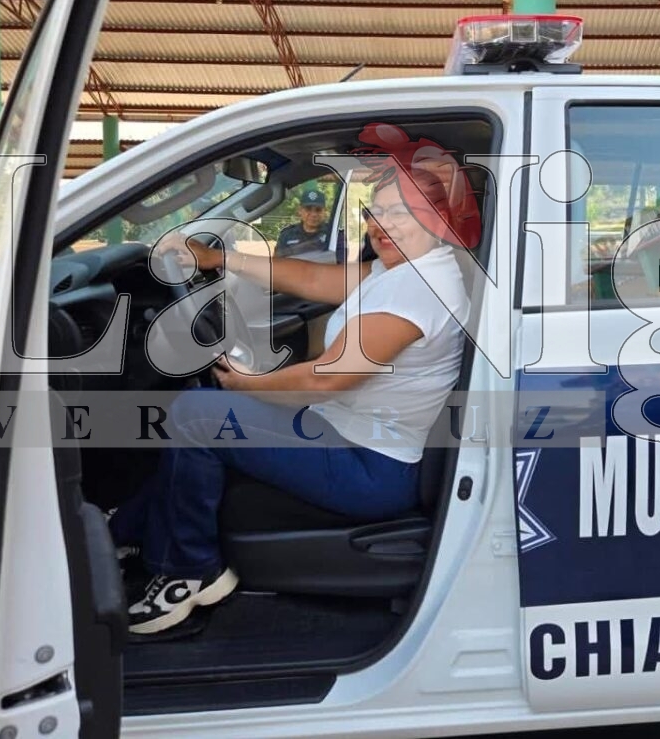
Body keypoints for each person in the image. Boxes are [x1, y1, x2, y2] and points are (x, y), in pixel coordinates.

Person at [109, 160, 475, 635]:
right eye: (377, 211)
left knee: (198, 415)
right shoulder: (402, 269)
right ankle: (125, 532)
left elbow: (328, 380)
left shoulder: (419, 287)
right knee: (203, 413)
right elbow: (313, 281)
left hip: (368, 464)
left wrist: (247, 384)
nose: (382, 225)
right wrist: (220, 260)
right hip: (344, 432)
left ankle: (189, 570)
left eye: (403, 212)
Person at [274, 187, 330, 257]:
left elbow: (340, 263)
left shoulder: (333, 234)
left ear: (325, 212)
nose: (313, 214)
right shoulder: (287, 235)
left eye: (318, 210)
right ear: (300, 211)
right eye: (308, 209)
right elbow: (277, 262)